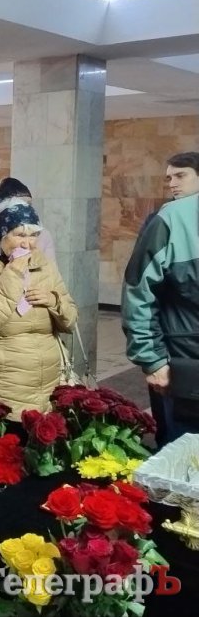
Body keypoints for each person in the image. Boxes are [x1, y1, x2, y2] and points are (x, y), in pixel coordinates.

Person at [0, 198, 78, 423]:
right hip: (2, 386)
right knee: (8, 443)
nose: (28, 243)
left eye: (33, 235)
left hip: (47, 385)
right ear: (1, 236)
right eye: (20, 235)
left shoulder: (44, 266)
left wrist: (53, 300)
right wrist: (13, 272)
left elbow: (71, 321)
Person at [123, 158, 199, 441]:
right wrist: (152, 360)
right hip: (184, 362)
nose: (172, 184)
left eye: (180, 176)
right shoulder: (169, 219)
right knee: (179, 451)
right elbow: (138, 291)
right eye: (169, 178)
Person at [0, 177, 56, 261]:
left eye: (28, 205)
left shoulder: (43, 235)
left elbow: (50, 267)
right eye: (19, 205)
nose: (26, 209)